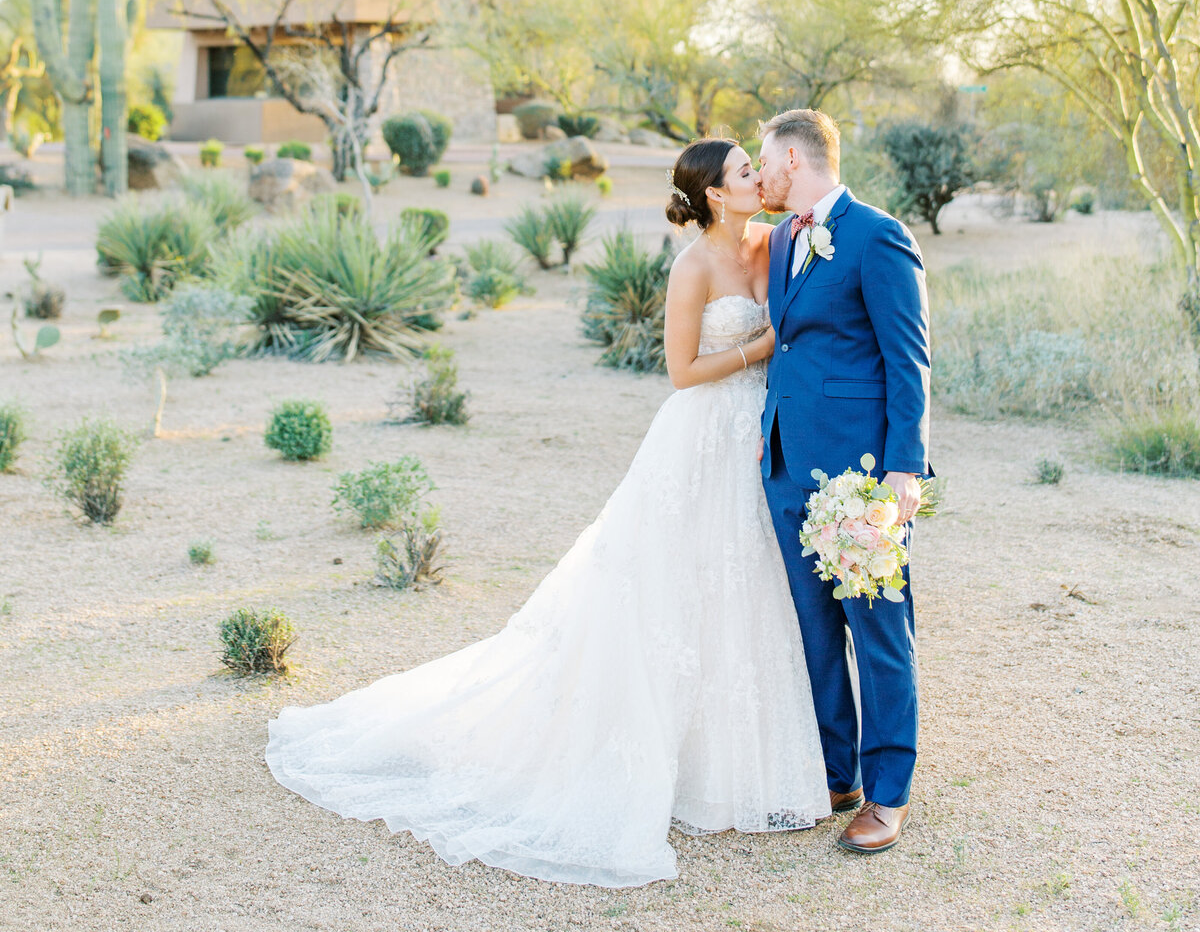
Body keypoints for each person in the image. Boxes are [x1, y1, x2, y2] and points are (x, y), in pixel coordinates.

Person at [265, 137, 829, 887]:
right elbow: (681, 372)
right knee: (675, 591)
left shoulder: (780, 241)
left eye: (757, 168)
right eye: (743, 173)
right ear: (713, 195)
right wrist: (756, 352)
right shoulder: (693, 266)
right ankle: (673, 767)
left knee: (749, 594)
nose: (759, 177)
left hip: (763, 435)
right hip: (701, 439)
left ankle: (747, 763)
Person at [756, 107, 931, 855]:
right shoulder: (780, 243)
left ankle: (887, 792)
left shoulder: (877, 234)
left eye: (764, 160)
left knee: (879, 630)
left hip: (860, 477)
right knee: (816, 632)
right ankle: (838, 775)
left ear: (793, 159)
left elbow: (908, 359)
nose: (760, 175)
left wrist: (902, 469)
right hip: (788, 464)